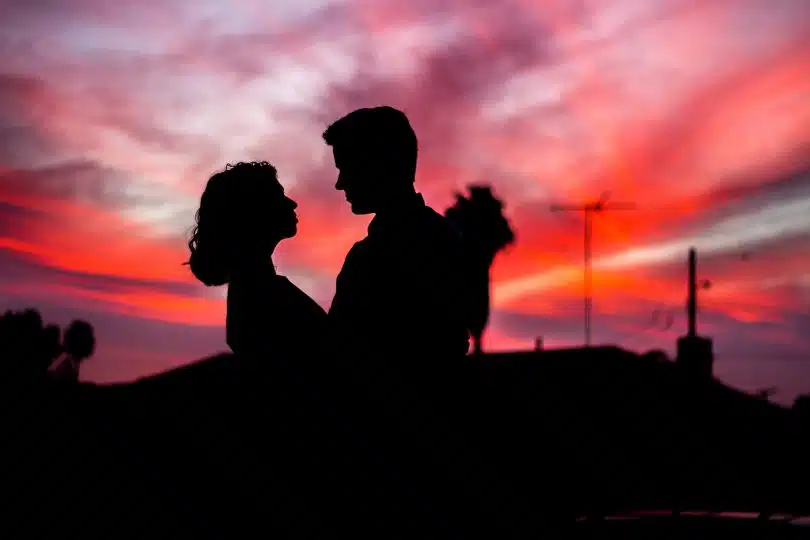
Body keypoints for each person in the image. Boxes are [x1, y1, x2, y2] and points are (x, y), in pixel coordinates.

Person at [323, 106, 471, 368]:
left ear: (380, 165)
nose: (339, 183)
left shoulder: (372, 258)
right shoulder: (446, 237)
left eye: (347, 168)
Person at [187, 161, 327, 361]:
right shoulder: (264, 296)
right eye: (278, 196)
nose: (292, 203)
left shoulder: (255, 291)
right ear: (254, 210)